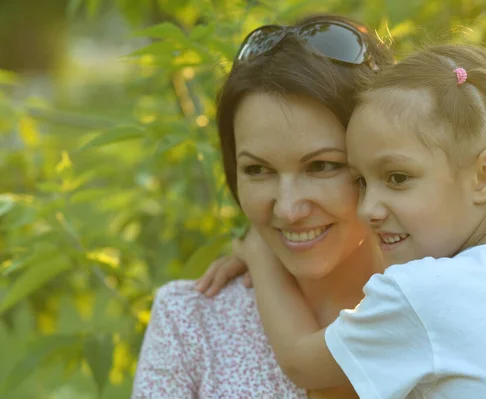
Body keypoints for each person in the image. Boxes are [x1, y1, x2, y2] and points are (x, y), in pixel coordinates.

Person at [231, 44, 486, 398]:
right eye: (360, 181)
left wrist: (260, 253)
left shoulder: (424, 294)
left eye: (397, 178)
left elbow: (300, 363)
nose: (367, 209)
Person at [131, 14, 395, 398]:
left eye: (322, 165)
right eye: (258, 170)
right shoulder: (191, 321)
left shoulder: (452, 304)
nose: (287, 209)